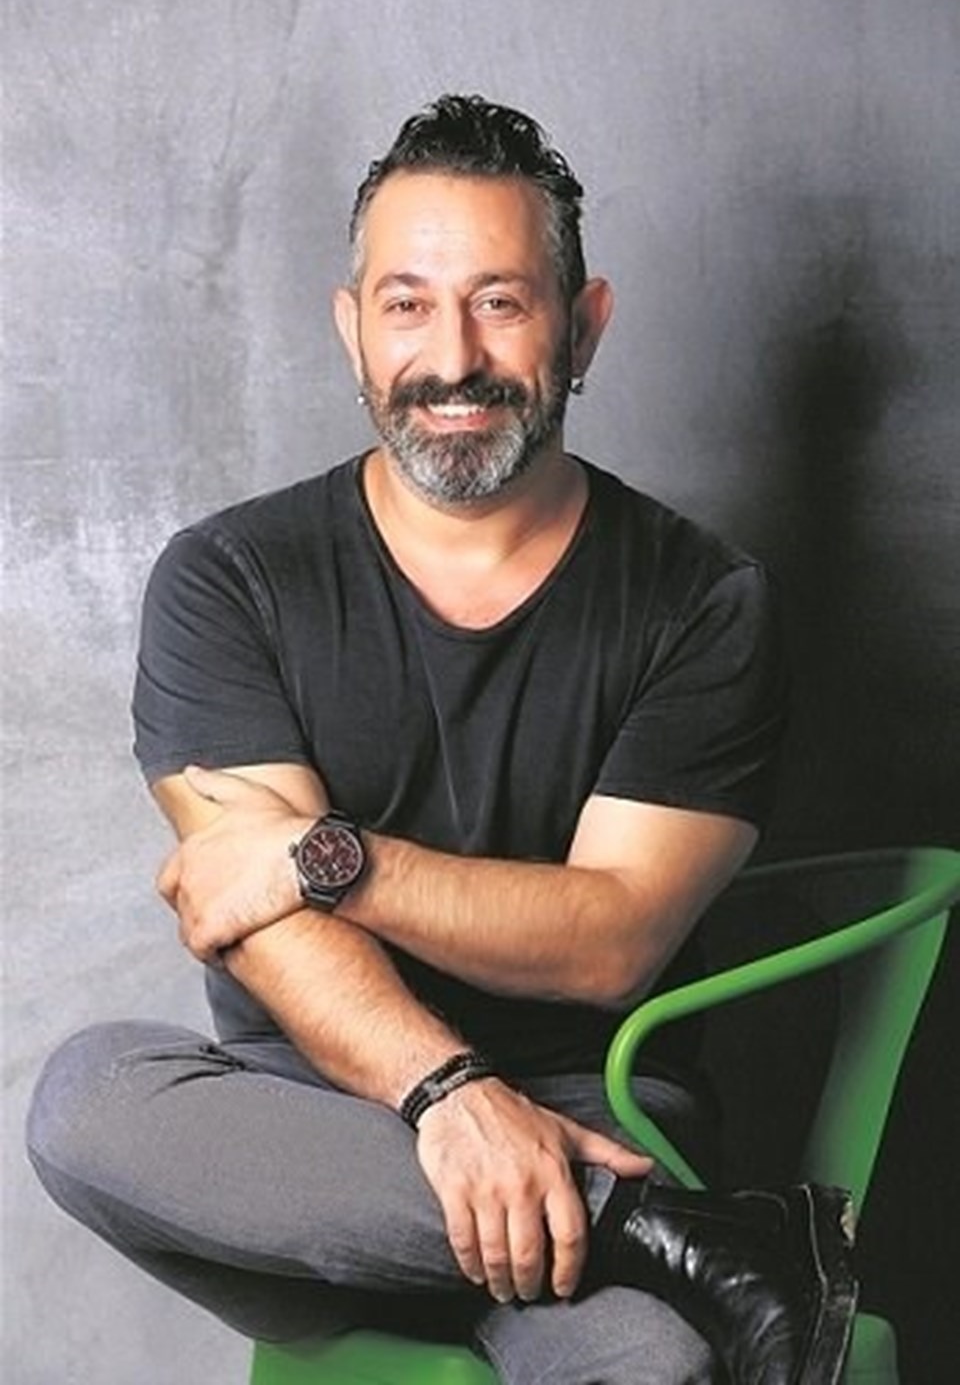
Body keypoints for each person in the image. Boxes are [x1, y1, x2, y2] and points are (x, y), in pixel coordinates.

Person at [27, 95, 857, 1384]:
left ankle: (621, 1236)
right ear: (352, 326)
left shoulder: (702, 600)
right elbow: (261, 925)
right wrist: (447, 1095)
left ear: (584, 326)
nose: (452, 356)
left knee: (650, 1370)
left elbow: (609, 939)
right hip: (304, 1139)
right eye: (407, 304)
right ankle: (683, 1244)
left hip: (591, 1109)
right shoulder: (231, 577)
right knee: (89, 1100)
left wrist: (326, 855)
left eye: (501, 303)